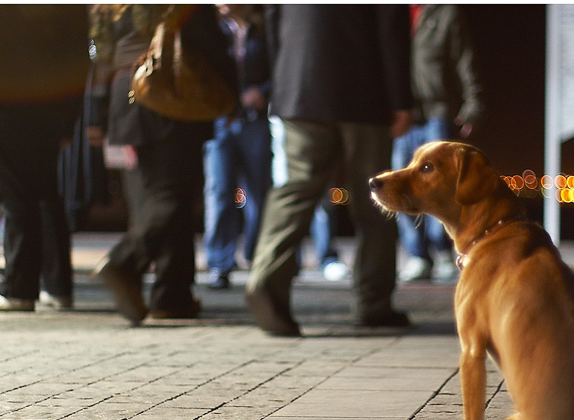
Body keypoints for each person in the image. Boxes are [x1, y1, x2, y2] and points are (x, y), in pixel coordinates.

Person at [246, 5, 414, 336]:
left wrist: (282, 84)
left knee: (295, 190)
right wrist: (400, 98)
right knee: (375, 200)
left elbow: (273, 21)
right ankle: (373, 303)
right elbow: (390, 27)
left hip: (298, 89)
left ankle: (265, 281)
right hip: (364, 91)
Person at [90, 5, 237, 323]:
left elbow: (101, 50)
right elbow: (208, 40)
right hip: (169, 86)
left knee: (152, 194)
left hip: (127, 90)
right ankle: (125, 262)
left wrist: (99, 108)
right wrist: (230, 93)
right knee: (173, 192)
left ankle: (173, 294)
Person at [0, 5, 90, 312]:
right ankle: (58, 287)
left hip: (9, 95)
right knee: (44, 190)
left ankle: (18, 288)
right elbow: (81, 54)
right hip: (53, 101)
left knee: (13, 191)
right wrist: (69, 117)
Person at [394, 4, 483, 283]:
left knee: (439, 184)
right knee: (399, 182)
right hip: (401, 112)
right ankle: (417, 255)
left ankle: (443, 252)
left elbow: (464, 58)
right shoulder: (390, 12)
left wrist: (474, 103)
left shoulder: (446, 11)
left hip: (438, 111)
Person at [203, 4, 272, 290]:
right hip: (221, 121)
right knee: (219, 190)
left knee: (259, 191)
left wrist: (263, 92)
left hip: (256, 121)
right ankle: (220, 263)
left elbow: (281, 67)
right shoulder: (213, 31)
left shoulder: (263, 30)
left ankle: (257, 257)